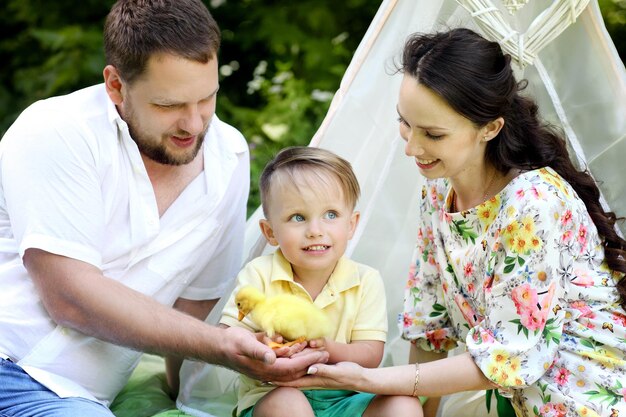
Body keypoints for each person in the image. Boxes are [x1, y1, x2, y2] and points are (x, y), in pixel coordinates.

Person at [0, 1, 327, 416]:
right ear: (116, 85)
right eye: (168, 106)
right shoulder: (58, 131)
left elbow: (194, 309)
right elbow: (69, 297)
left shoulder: (228, 156)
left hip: (82, 400)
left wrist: (189, 397)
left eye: (207, 99)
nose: (193, 125)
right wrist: (223, 347)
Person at [278, 28, 626, 417]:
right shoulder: (439, 190)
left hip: (589, 402)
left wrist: (367, 379)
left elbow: (508, 357)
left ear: (490, 129)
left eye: (433, 134)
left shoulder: (532, 204)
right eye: (405, 123)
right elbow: (432, 323)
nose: (411, 147)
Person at [219, 146, 423, 417]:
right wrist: (259, 342)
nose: (315, 231)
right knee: (288, 406)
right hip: (274, 393)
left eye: (330, 215)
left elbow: (371, 354)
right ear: (271, 232)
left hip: (347, 397)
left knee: (404, 406)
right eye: (298, 217)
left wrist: (328, 350)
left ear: (351, 225)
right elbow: (227, 334)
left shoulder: (365, 281)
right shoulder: (259, 273)